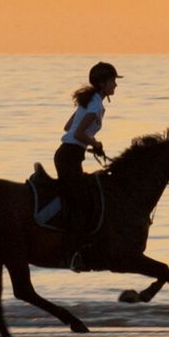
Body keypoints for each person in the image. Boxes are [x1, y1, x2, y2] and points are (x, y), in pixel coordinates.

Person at [55, 62, 120, 265]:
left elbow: (68, 127)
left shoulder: (90, 101)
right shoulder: (94, 104)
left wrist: (87, 144)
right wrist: (95, 142)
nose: (115, 85)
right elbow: (77, 132)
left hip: (71, 154)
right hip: (69, 155)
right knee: (82, 202)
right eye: (113, 81)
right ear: (103, 83)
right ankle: (74, 251)